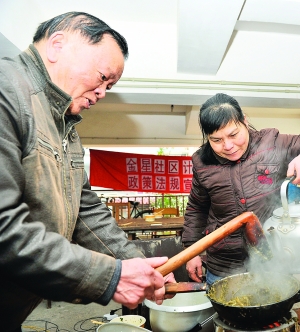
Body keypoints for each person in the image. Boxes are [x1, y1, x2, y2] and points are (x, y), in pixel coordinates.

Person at [0, 12, 174, 331]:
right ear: (57, 45)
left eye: (111, 85)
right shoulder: (6, 91)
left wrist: (134, 263)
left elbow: (85, 210)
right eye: (103, 77)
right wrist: (110, 277)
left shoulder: (65, 125)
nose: (103, 93)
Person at [181, 93, 300, 285]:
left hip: (272, 262)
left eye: (233, 135)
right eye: (216, 140)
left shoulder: (272, 143)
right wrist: (191, 252)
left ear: (244, 121)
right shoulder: (202, 162)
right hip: (223, 265)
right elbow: (196, 208)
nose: (228, 146)